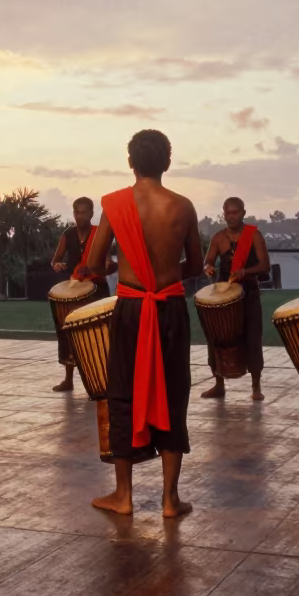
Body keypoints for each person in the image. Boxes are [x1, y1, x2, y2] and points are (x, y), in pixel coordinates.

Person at [86, 130, 203, 517]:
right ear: (167, 162)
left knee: (122, 392)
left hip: (133, 308)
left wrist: (125, 265)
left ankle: (123, 496)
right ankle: (170, 500)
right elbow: (197, 266)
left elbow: (94, 264)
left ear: (130, 162)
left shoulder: (116, 205)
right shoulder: (183, 207)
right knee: (173, 393)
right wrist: (163, 270)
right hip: (169, 306)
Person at [201, 197, 270, 401]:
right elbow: (208, 261)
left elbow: (265, 265)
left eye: (235, 212)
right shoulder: (218, 238)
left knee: (252, 337)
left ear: (243, 212)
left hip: (248, 292)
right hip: (224, 294)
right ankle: (219, 384)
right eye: (228, 213)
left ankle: (256, 386)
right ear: (224, 213)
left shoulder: (254, 235)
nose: (231, 216)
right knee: (217, 338)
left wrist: (245, 272)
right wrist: (209, 268)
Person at [49, 196, 116, 392]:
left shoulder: (99, 234)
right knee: (68, 333)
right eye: (77, 212)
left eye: (84, 212)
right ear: (73, 213)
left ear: (92, 214)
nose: (80, 216)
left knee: (96, 336)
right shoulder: (67, 235)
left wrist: (98, 269)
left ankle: (102, 379)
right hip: (74, 288)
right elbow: (55, 260)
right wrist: (57, 264)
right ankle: (68, 380)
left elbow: (111, 266)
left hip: (96, 290)